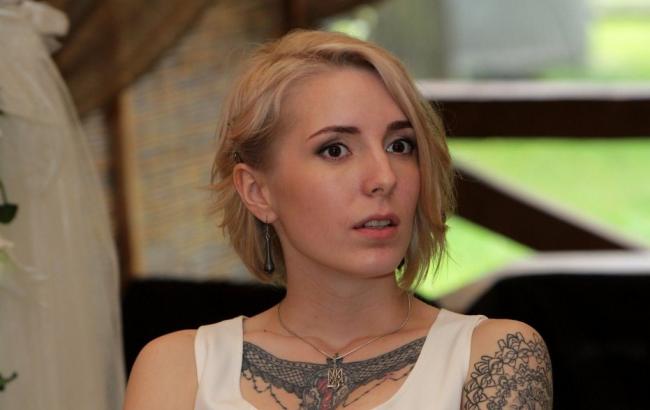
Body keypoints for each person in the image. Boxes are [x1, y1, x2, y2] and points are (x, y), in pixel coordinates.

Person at [123, 30, 552, 410]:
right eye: (335, 150)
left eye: (400, 145)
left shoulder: (493, 356)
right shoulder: (179, 367)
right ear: (257, 192)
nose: (384, 177)